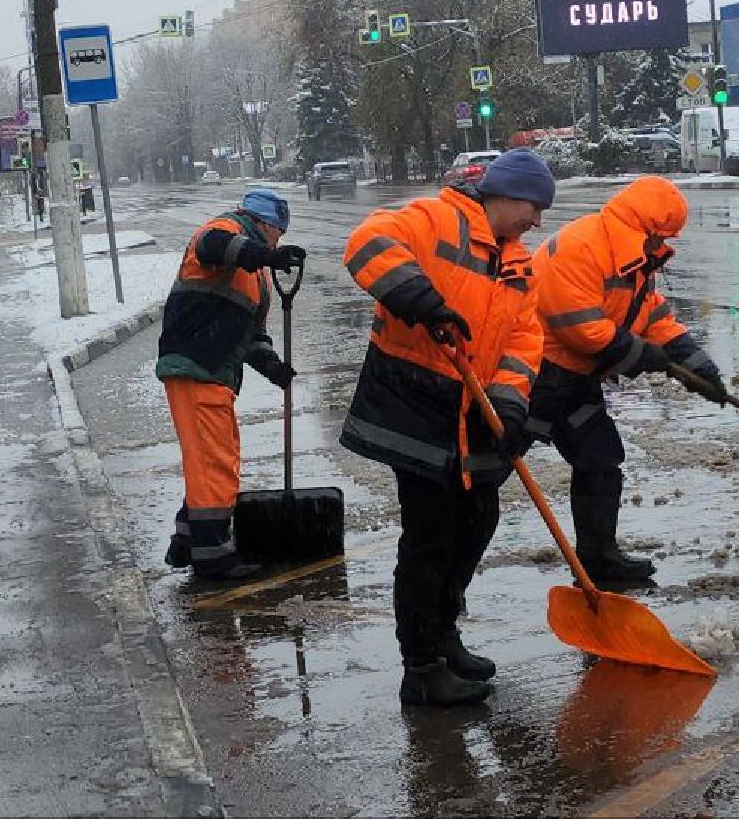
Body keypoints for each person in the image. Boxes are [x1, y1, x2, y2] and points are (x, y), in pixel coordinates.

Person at [339, 147, 552, 707]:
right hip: (416, 402)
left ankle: (445, 633)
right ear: (506, 195)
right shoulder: (436, 218)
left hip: (471, 409)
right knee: (430, 535)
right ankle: (422, 666)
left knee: (479, 517)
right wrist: (422, 301)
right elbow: (367, 243)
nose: (538, 221)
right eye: (534, 207)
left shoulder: (517, 261)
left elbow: (525, 340)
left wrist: (508, 406)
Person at [526, 176, 726, 585]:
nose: (664, 246)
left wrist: (697, 364)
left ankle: (599, 562)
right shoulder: (583, 246)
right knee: (490, 467)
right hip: (536, 377)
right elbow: (580, 327)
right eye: (661, 237)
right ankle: (446, 584)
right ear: (644, 229)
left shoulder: (633, 259)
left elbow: (650, 316)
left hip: (576, 380)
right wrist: (642, 356)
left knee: (600, 459)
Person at [158, 189, 305, 582]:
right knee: (214, 463)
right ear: (263, 224)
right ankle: (214, 558)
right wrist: (265, 255)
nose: (278, 243)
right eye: (277, 235)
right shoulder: (224, 231)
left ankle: (188, 540)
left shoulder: (256, 278)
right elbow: (214, 245)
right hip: (195, 365)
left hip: (214, 372)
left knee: (212, 457)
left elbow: (252, 335)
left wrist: (272, 366)